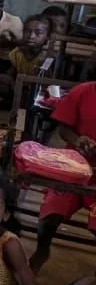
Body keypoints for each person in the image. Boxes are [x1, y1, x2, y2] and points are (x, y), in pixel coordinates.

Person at [31, 77, 96, 270]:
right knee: (49, 216)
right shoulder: (83, 91)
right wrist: (78, 140)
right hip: (73, 167)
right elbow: (63, 128)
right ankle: (42, 251)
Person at [0, 14, 53, 96]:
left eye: (38, 33)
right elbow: (11, 75)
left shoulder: (48, 56)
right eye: (28, 31)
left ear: (47, 36)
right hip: (19, 90)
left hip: (38, 93)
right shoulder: (17, 52)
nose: (31, 36)